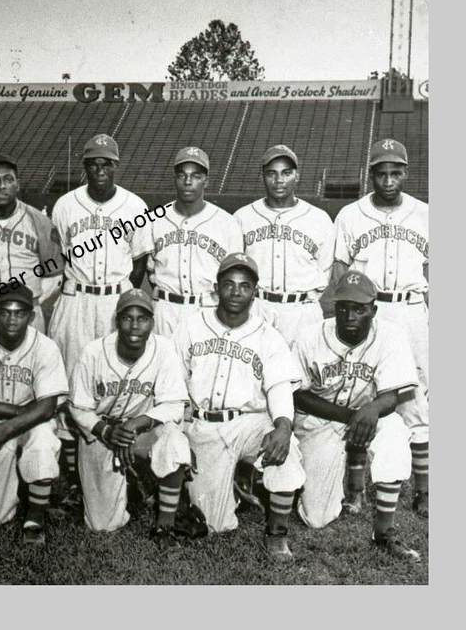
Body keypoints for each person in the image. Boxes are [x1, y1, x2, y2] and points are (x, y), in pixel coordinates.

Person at [174, 253, 306, 562]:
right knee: (214, 524)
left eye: (245, 286)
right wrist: (179, 434)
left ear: (254, 292)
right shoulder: (190, 327)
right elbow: (175, 384)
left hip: (249, 422)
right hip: (204, 426)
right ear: (216, 288)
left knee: (286, 446)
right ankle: (234, 483)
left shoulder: (268, 336)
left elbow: (279, 387)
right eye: (229, 284)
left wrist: (283, 425)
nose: (236, 292)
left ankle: (277, 534)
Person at [47, 133, 152, 513]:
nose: (100, 169)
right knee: (74, 381)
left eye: (107, 163)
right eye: (93, 163)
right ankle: (73, 478)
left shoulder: (135, 206)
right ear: (85, 166)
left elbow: (139, 263)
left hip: (115, 300)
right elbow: (58, 255)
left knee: (116, 380)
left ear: (116, 165)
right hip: (76, 298)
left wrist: (121, 298)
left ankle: (123, 465)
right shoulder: (65, 205)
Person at [292, 270, 420, 561]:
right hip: (322, 418)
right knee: (317, 518)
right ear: (334, 307)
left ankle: (384, 532)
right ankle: (309, 479)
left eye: (359, 309)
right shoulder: (310, 336)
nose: (350, 316)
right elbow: (298, 394)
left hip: (369, 414)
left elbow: (392, 396)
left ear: (373, 310)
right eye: (343, 307)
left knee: (394, 432)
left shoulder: (391, 336)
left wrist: (372, 410)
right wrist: (353, 417)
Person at [332, 139, 429, 517]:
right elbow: (340, 271)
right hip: (368, 312)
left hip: (410, 309)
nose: (388, 181)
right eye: (381, 173)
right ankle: (356, 490)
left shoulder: (425, 213)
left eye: (396, 173)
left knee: (415, 398)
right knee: (361, 392)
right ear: (370, 174)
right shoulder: (350, 215)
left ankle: (423, 490)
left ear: (406, 173)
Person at [67, 289, 193, 544]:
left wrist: (134, 425)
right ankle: (134, 483)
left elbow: (174, 405)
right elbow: (78, 407)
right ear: (117, 321)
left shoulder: (164, 349)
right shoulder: (93, 352)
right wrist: (106, 432)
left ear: (152, 322)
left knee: (175, 441)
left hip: (142, 430)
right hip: (102, 433)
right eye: (128, 317)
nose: (135, 325)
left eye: (142, 318)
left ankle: (165, 524)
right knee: (102, 525)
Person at [0, 285, 68, 545]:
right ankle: (17, 482)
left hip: (34, 421)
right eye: (6, 312)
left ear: (31, 316)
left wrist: (7, 428)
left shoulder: (45, 347)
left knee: (43, 440)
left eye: (20, 313)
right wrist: (14, 415)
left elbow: (47, 408)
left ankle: (35, 518)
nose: (12, 319)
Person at [135, 146, 244, 337]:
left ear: (206, 181)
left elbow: (234, 274)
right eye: (182, 175)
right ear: (174, 178)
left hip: (207, 309)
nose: (188, 181)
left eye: (196, 176)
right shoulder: (155, 220)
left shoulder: (227, 223)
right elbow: (149, 269)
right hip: (165, 310)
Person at [235, 145, 334, 344]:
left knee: (302, 364)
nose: (279, 180)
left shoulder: (319, 218)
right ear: (262, 177)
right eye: (271, 173)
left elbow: (325, 269)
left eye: (286, 173)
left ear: (297, 176)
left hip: (302, 311)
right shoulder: (243, 217)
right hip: (257, 307)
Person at [0, 154, 62, 334]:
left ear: (17, 184)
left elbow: (55, 272)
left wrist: (32, 299)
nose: (2, 186)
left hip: (25, 312)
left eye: (8, 179)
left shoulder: (38, 220)